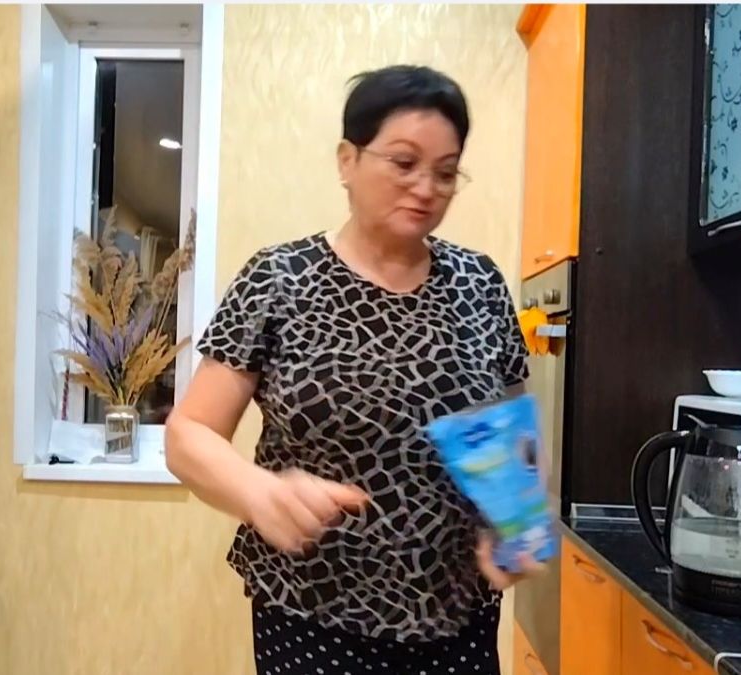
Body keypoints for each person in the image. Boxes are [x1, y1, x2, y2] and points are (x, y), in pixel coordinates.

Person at [165, 65, 542, 675]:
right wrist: (261, 493)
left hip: (457, 618)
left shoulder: (480, 283)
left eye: (446, 172)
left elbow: (507, 435)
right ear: (347, 160)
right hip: (311, 617)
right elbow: (188, 435)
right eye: (404, 162)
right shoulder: (279, 279)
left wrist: (516, 519)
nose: (426, 187)